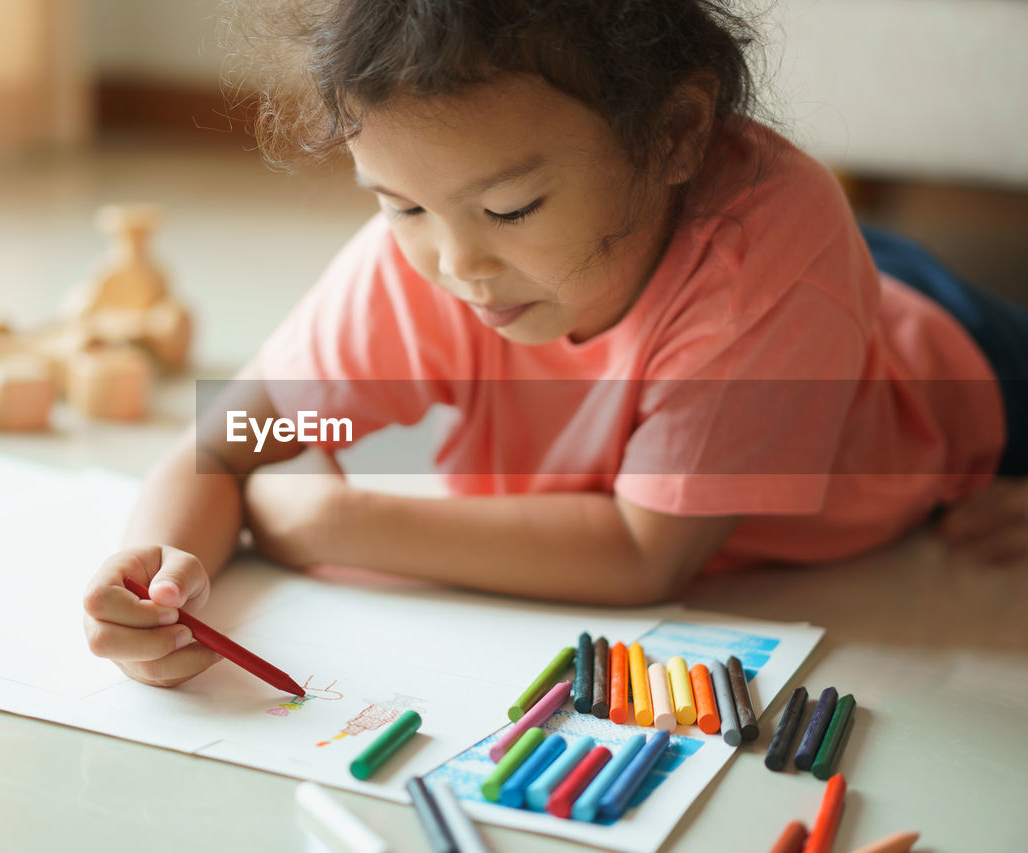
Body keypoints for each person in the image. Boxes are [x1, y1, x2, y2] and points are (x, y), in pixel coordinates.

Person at [82, 0, 1028, 688]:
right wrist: (157, 576)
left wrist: (332, 519)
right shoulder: (422, 260)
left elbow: (642, 553)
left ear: (676, 136)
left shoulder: (768, 261)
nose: (457, 264)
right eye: (400, 203)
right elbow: (228, 442)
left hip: (946, 372)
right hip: (793, 296)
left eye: (510, 207)